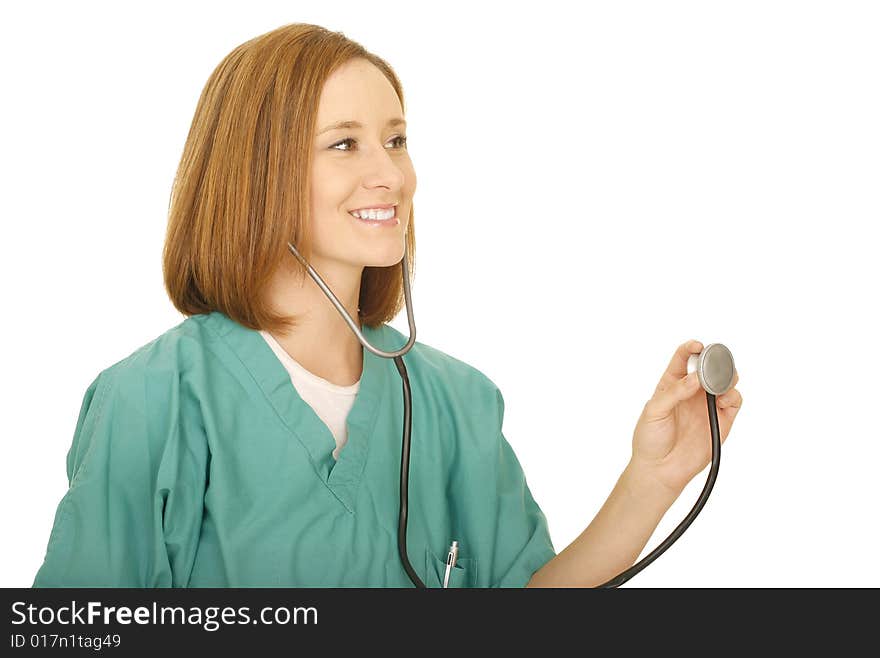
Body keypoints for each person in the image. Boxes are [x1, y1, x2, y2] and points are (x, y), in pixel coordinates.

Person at [32, 23, 742, 588]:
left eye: (396, 141)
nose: (391, 174)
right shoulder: (154, 400)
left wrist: (652, 480)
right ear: (256, 176)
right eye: (345, 144)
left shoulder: (454, 402)